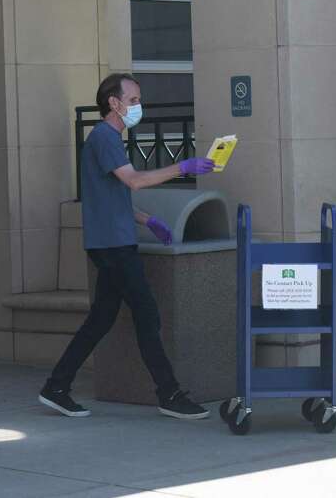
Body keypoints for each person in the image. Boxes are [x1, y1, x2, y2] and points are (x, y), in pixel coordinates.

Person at [39, 73, 216, 420]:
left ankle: (56, 387)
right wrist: (183, 166)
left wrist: (147, 220)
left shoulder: (107, 139)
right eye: (133, 100)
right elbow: (134, 181)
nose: (138, 106)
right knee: (147, 313)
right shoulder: (105, 137)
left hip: (113, 240)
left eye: (138, 100)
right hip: (113, 245)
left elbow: (111, 198)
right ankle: (170, 393)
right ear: (114, 103)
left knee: (101, 318)